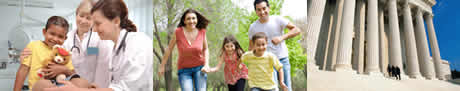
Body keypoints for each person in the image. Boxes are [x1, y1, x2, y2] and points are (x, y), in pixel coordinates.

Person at [43, 0, 154, 90]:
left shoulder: (138, 43)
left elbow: (126, 87)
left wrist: (87, 88)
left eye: (97, 23)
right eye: (81, 16)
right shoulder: (116, 49)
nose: (94, 29)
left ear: (116, 21)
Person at [14, 16, 92, 91]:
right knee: (45, 85)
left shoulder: (64, 52)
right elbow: (23, 71)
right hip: (39, 87)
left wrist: (64, 69)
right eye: (52, 34)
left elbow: (72, 73)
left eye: (60, 36)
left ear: (65, 38)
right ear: (44, 32)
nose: (55, 39)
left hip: (60, 86)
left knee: (82, 83)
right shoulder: (33, 46)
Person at [249, 0, 301, 90]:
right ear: (256, 11)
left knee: (286, 87)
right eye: (259, 10)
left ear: (269, 8)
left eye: (264, 8)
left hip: (282, 59)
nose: (262, 12)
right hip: (266, 62)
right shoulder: (253, 27)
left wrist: (281, 38)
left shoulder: (278, 19)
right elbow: (251, 47)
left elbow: (297, 30)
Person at [158, 8, 210, 91]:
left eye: (193, 18)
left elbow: (206, 49)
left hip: (200, 68)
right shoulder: (178, 32)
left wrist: (206, 64)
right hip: (184, 70)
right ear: (184, 21)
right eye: (188, 19)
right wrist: (162, 65)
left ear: (197, 19)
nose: (191, 21)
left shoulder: (202, 31)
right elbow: (169, 49)